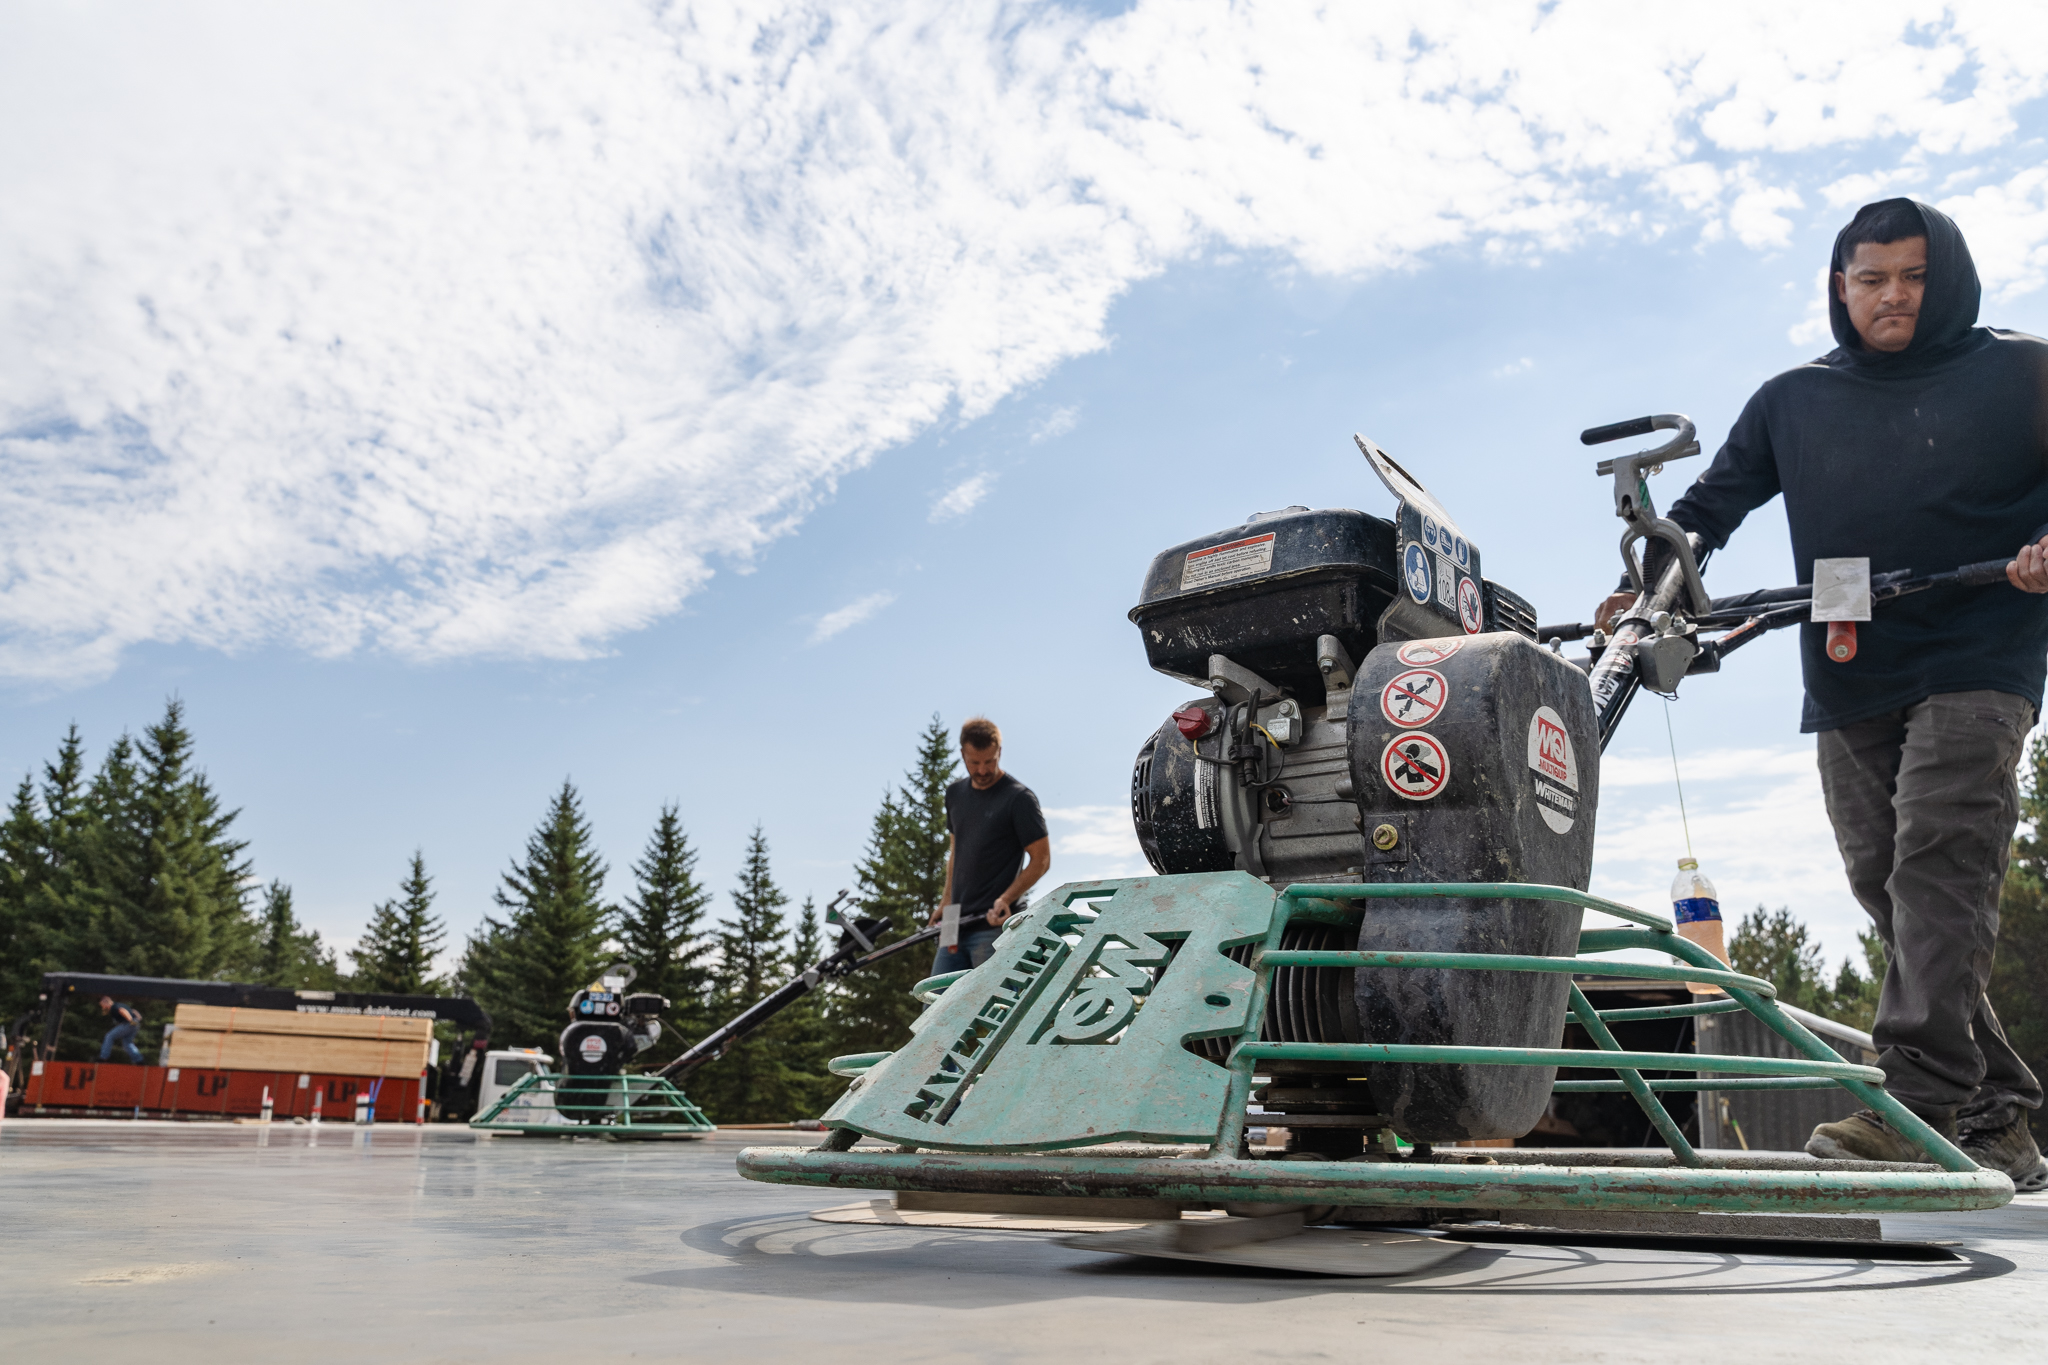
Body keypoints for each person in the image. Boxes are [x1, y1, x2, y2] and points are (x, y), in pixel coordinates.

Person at [1592, 198, 2047, 1190]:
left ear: (1950, 278)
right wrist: (1644, 589)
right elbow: (1708, 507)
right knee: (1885, 880)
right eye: (1869, 277)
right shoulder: (1792, 397)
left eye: (1912, 276)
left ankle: (1914, 1106)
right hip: (1850, 658)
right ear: (1838, 287)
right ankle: (1999, 1112)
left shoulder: (2020, 371)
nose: (1890, 295)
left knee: (1937, 859)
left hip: (1981, 649)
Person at [928, 717, 1051, 975]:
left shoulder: (1019, 799)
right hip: (953, 924)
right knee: (934, 1009)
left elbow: (1041, 860)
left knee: (986, 1012)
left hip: (993, 926)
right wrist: (945, 901)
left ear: (999, 753)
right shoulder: (954, 794)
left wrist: (1007, 898)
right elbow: (956, 853)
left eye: (989, 761)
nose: (982, 770)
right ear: (963, 754)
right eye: (974, 763)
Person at [99, 996, 144, 1065]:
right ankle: (139, 1060)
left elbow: (122, 1010)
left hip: (129, 1023)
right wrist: (138, 1019)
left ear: (106, 1003)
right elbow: (133, 1010)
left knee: (109, 1036)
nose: (103, 1007)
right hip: (135, 1023)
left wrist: (130, 1020)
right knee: (127, 1043)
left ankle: (103, 1058)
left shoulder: (113, 1007)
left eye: (103, 1005)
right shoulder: (119, 1004)